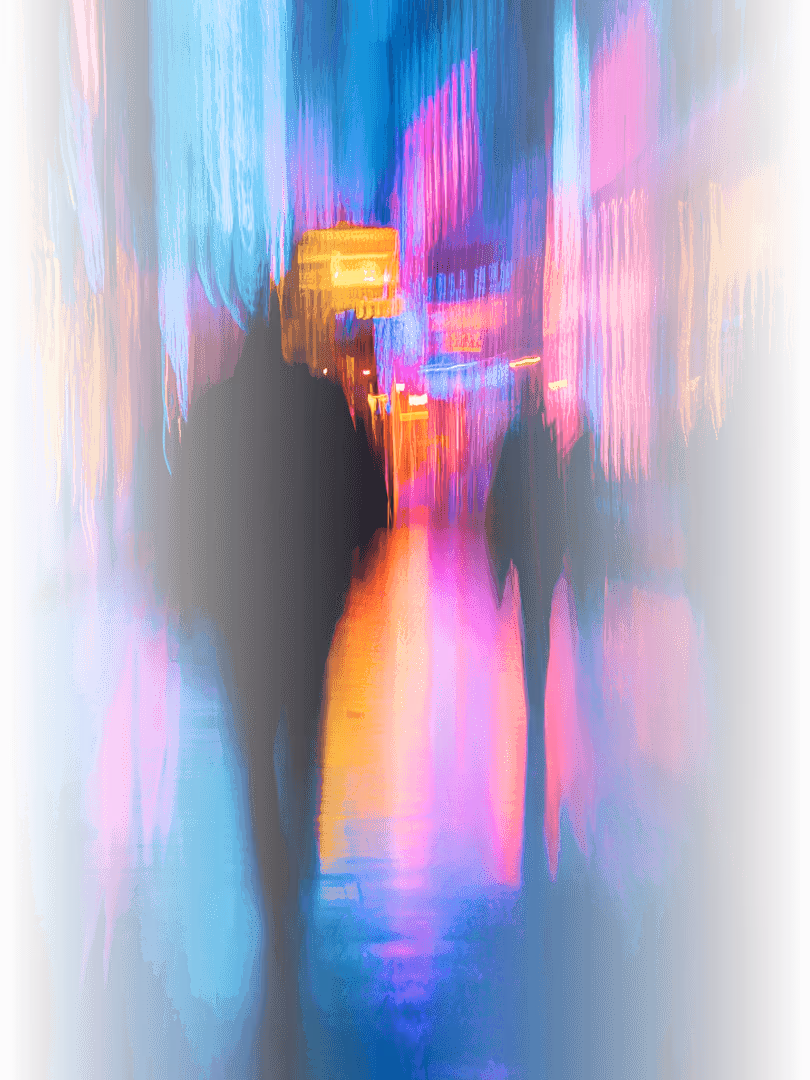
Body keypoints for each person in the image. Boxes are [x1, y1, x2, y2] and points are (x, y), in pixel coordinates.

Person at [162, 287, 388, 1076]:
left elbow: (187, 513)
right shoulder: (322, 404)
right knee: (306, 729)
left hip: (242, 611)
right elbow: (367, 495)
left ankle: (273, 870)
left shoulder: (216, 413)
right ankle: (295, 858)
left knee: (253, 744)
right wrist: (347, 566)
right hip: (308, 604)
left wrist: (190, 598)